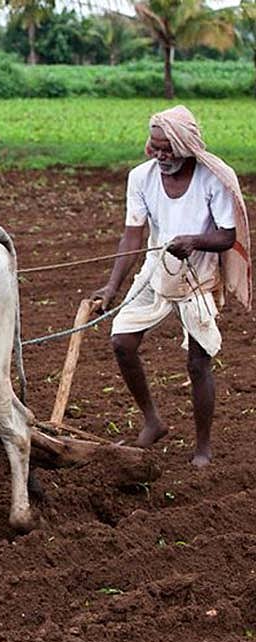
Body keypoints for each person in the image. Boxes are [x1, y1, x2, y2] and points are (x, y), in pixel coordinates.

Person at [92, 105, 251, 467]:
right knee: (122, 342)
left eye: (168, 149)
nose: (161, 155)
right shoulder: (141, 178)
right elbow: (133, 236)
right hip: (156, 268)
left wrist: (194, 241)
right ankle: (153, 420)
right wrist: (111, 287)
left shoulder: (214, 179)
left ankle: (203, 448)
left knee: (198, 363)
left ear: (187, 146)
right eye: (155, 147)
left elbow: (227, 236)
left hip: (199, 275)